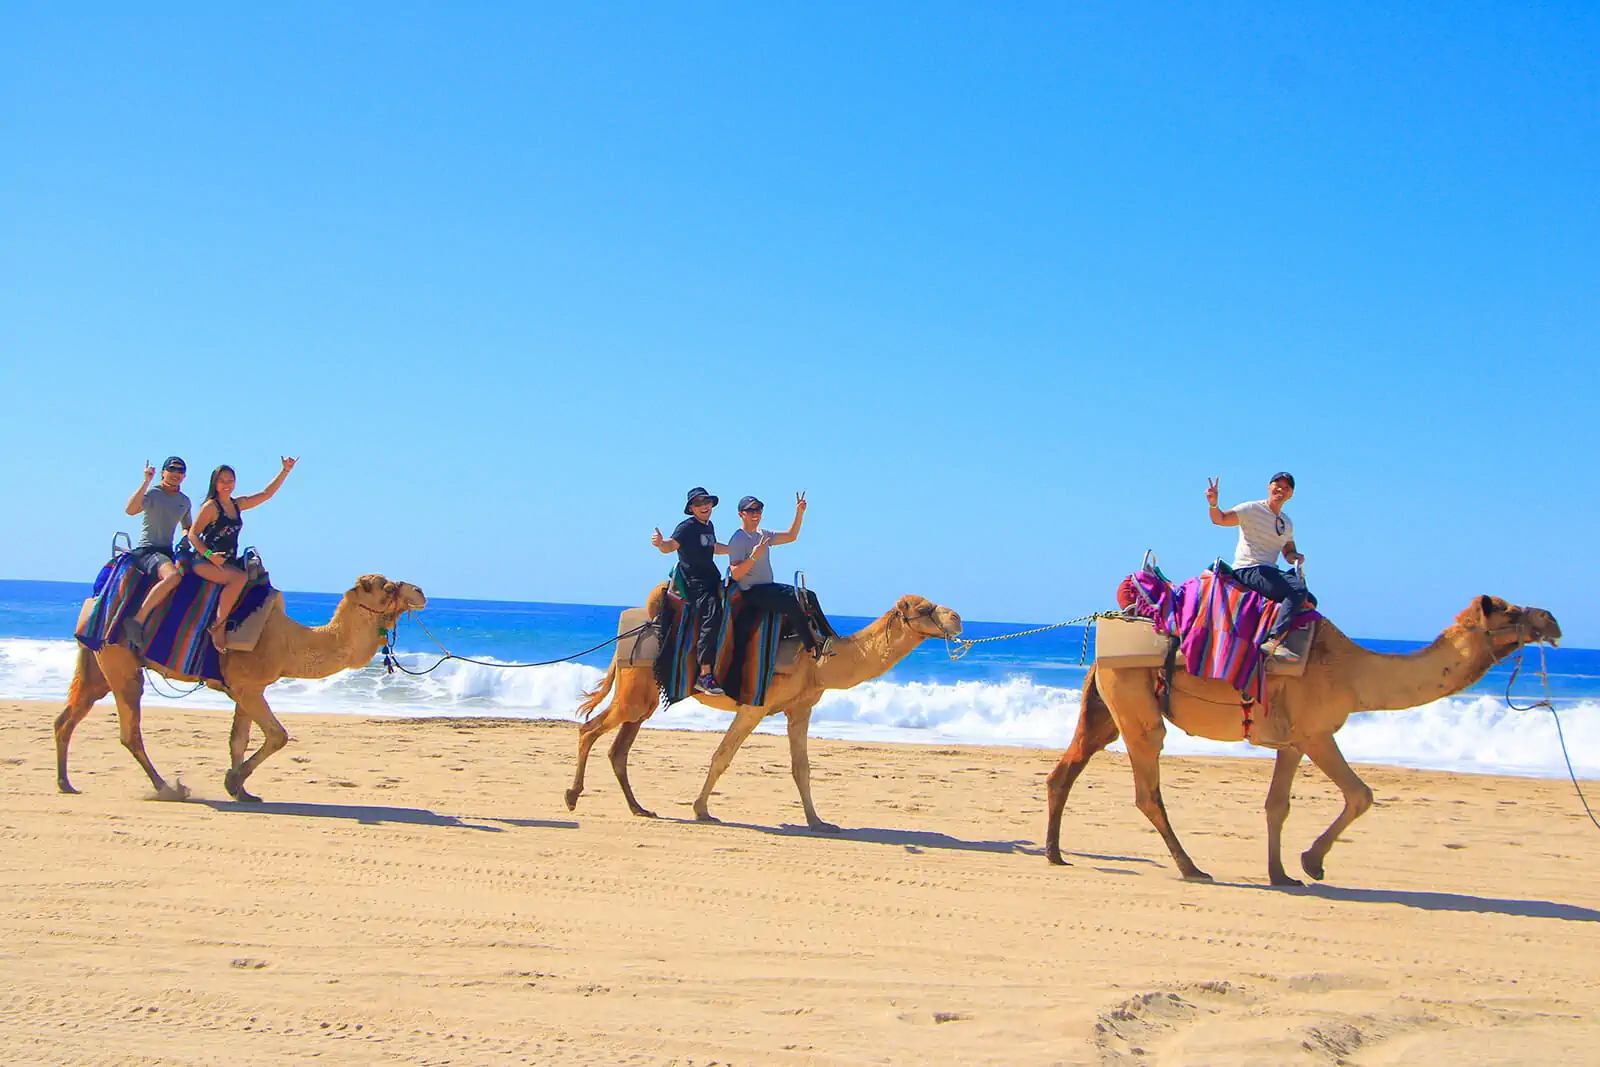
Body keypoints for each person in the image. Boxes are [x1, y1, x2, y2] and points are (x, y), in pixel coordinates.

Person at [186, 457, 298, 650]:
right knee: (239, 578)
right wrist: (210, 555)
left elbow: (266, 494)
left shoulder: (237, 505)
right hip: (204, 563)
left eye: (231, 480)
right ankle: (218, 627)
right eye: (223, 481)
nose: (227, 484)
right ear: (215, 483)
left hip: (227, 562)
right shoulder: (211, 507)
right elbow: (192, 535)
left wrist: (285, 471)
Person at [1206, 471, 1309, 662]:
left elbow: (1288, 551)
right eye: (1277, 485)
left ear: (1290, 494)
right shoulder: (1252, 509)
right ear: (1269, 487)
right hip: (1248, 569)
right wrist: (1213, 503)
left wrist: (1295, 557)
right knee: (1297, 590)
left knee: (1309, 598)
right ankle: (1273, 640)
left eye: (1286, 487)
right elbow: (1219, 519)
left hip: (1269, 570)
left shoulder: (1287, 523)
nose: (1281, 489)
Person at [725, 492, 828, 658]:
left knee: (807, 595)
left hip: (768, 587)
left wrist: (799, 513)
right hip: (751, 591)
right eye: (750, 511)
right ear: (741, 514)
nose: (756, 514)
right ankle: (811, 647)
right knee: (790, 601)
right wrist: (753, 557)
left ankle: (828, 637)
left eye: (758, 509)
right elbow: (736, 574)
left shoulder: (762, 534)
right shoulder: (737, 539)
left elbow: (791, 536)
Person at [651, 487, 729, 696]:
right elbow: (670, 546)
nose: (704, 506)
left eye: (707, 502)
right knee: (712, 616)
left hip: (712, 578)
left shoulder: (709, 526)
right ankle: (705, 675)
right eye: (699, 503)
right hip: (695, 583)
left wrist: (736, 549)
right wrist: (660, 544)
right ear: (692, 508)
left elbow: (713, 547)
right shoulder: (686, 528)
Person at [122, 457, 194, 652]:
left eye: (180, 470)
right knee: (173, 577)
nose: (176, 473)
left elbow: (187, 526)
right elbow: (130, 510)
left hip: (168, 551)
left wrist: (186, 537)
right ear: (163, 472)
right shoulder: (153, 493)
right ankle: (137, 620)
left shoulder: (184, 501)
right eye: (172, 469)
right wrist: (146, 481)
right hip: (148, 550)